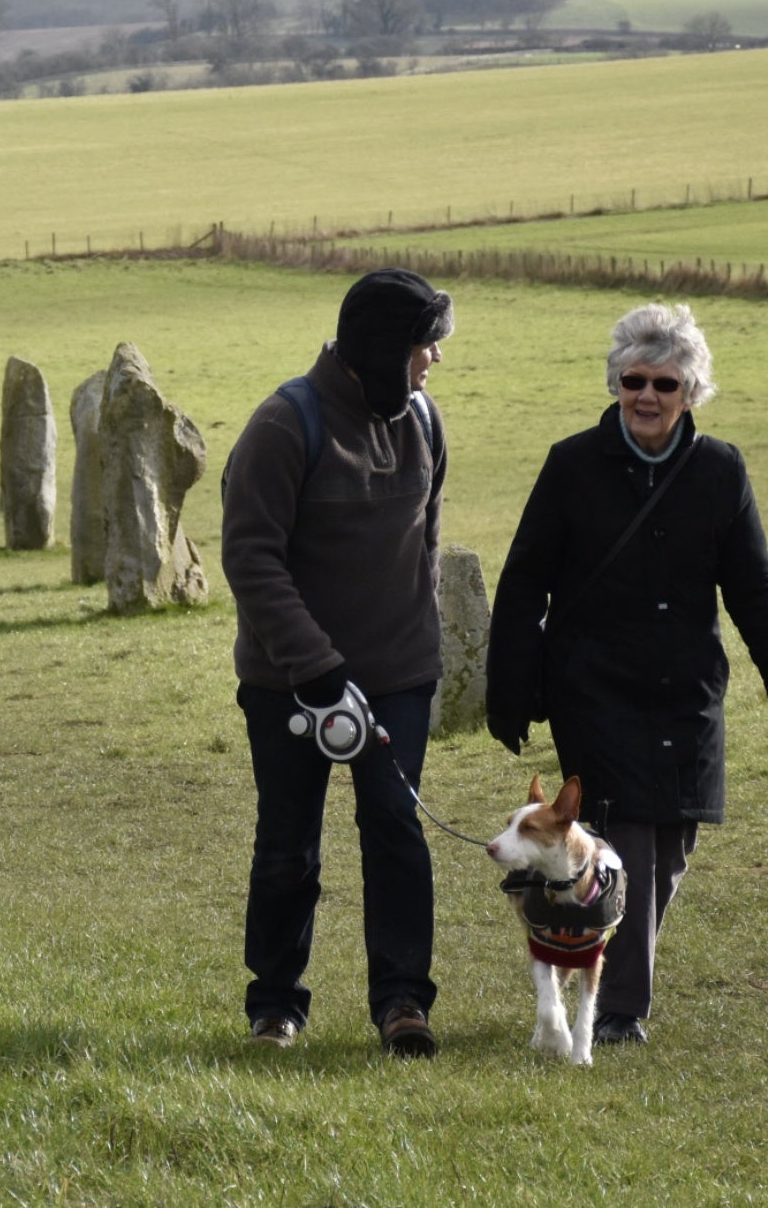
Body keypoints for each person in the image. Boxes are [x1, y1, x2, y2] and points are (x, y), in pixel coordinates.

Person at [483, 302, 768, 1046]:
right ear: (616, 382)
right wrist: (509, 692)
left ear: (690, 392)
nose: (646, 396)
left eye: (664, 384)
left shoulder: (721, 470)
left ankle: (591, 956)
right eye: (633, 379)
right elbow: (522, 582)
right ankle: (621, 1010)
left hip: (685, 692)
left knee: (669, 849)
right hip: (593, 687)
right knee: (623, 836)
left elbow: (756, 591)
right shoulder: (571, 465)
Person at [221, 267, 454, 1056]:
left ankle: (402, 1003)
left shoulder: (424, 420)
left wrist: (416, 654)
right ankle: (275, 1005)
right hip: (289, 681)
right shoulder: (285, 426)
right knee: (289, 841)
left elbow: (424, 540)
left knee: (395, 829)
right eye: (425, 346)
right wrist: (315, 666)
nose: (434, 362)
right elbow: (252, 560)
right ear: (386, 349)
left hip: (398, 680)